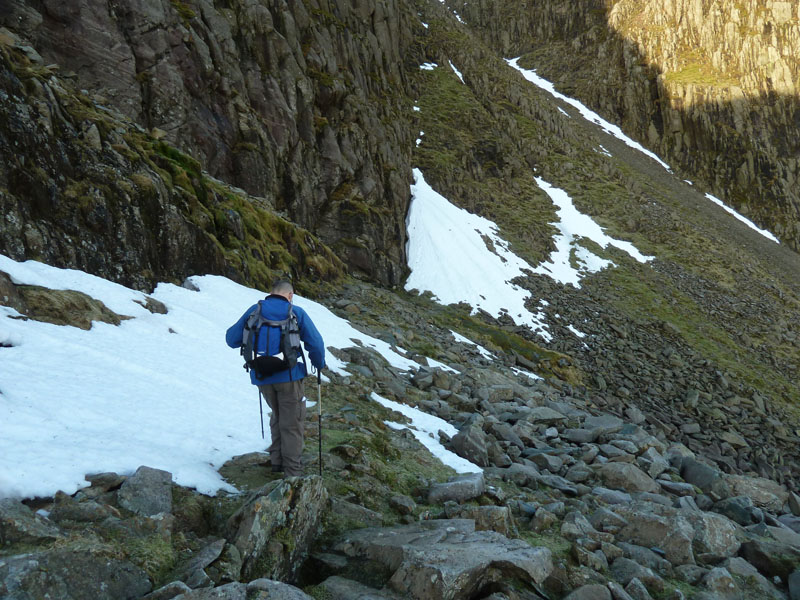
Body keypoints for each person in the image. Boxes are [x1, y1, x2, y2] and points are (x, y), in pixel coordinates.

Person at [226, 280, 325, 477]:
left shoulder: (255, 311)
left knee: (278, 415)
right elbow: (315, 342)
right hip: (288, 376)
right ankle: (293, 473)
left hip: (262, 377)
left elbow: (231, 339)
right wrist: (318, 363)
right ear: (290, 295)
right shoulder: (296, 312)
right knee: (292, 422)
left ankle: (277, 463)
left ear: (271, 292)